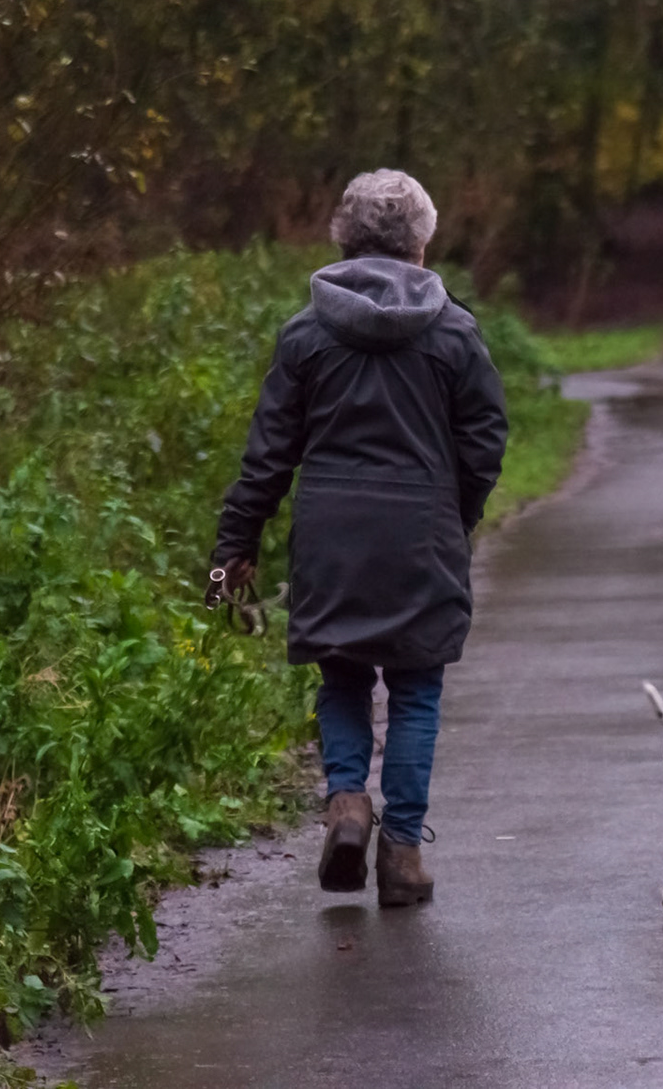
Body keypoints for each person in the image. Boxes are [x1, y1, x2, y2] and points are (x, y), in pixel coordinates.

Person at [209, 169, 508, 907]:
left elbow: (269, 452)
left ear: (342, 237)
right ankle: (401, 855)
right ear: (421, 242)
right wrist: (455, 514)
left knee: (341, 674)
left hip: (330, 533)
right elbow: (485, 439)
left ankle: (347, 801)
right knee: (414, 688)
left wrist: (232, 548)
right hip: (420, 531)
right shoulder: (454, 333)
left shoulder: (308, 334)